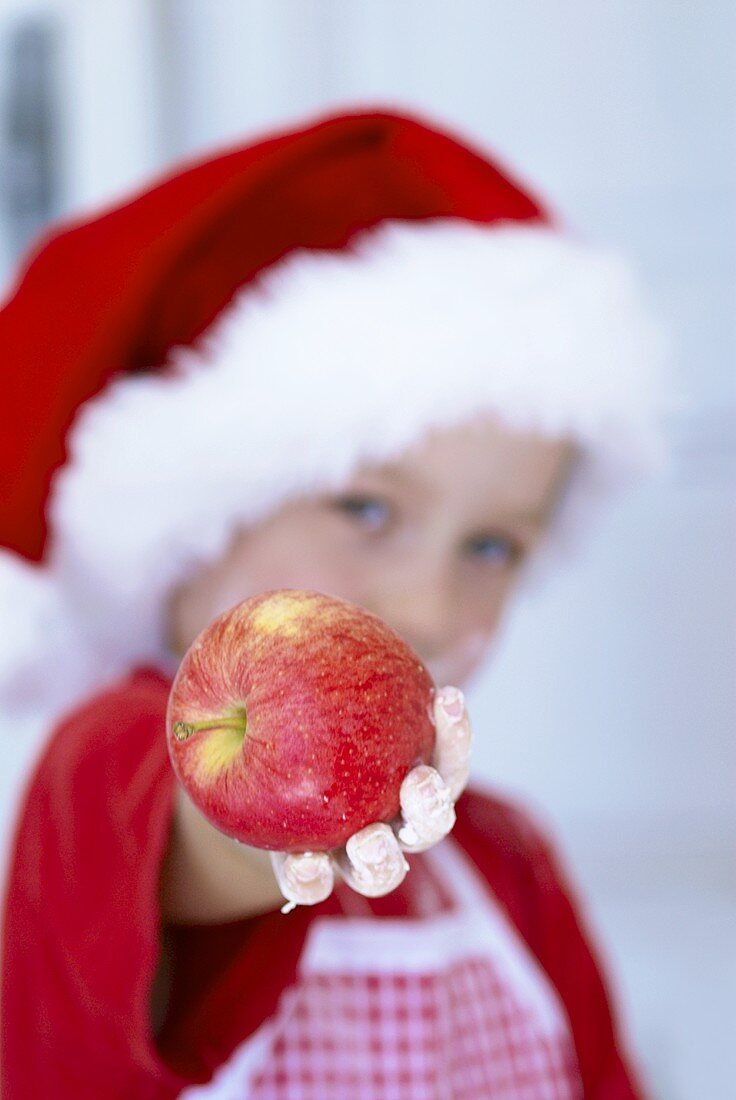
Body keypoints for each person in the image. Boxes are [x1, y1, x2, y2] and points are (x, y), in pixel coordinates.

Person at [0, 107, 674, 1098]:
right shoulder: (105, 765)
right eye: (365, 507)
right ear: (195, 524)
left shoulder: (506, 859)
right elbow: (188, 834)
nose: (430, 602)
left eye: (492, 545)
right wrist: (258, 822)